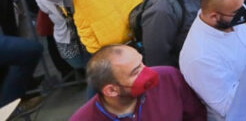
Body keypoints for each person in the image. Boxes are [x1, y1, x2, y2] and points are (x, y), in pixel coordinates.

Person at [69, 44, 205, 121]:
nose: (149, 73)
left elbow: (197, 116)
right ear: (111, 90)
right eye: (135, 72)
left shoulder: (169, 78)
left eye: (142, 63)